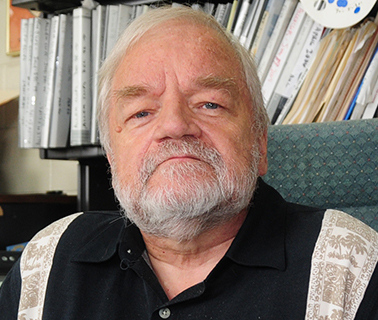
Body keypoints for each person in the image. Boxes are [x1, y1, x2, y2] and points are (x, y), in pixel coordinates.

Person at [1, 6, 378, 320]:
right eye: (142, 112)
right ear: (112, 155)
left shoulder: (350, 267)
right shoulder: (46, 261)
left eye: (209, 104)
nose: (175, 126)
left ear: (260, 141)